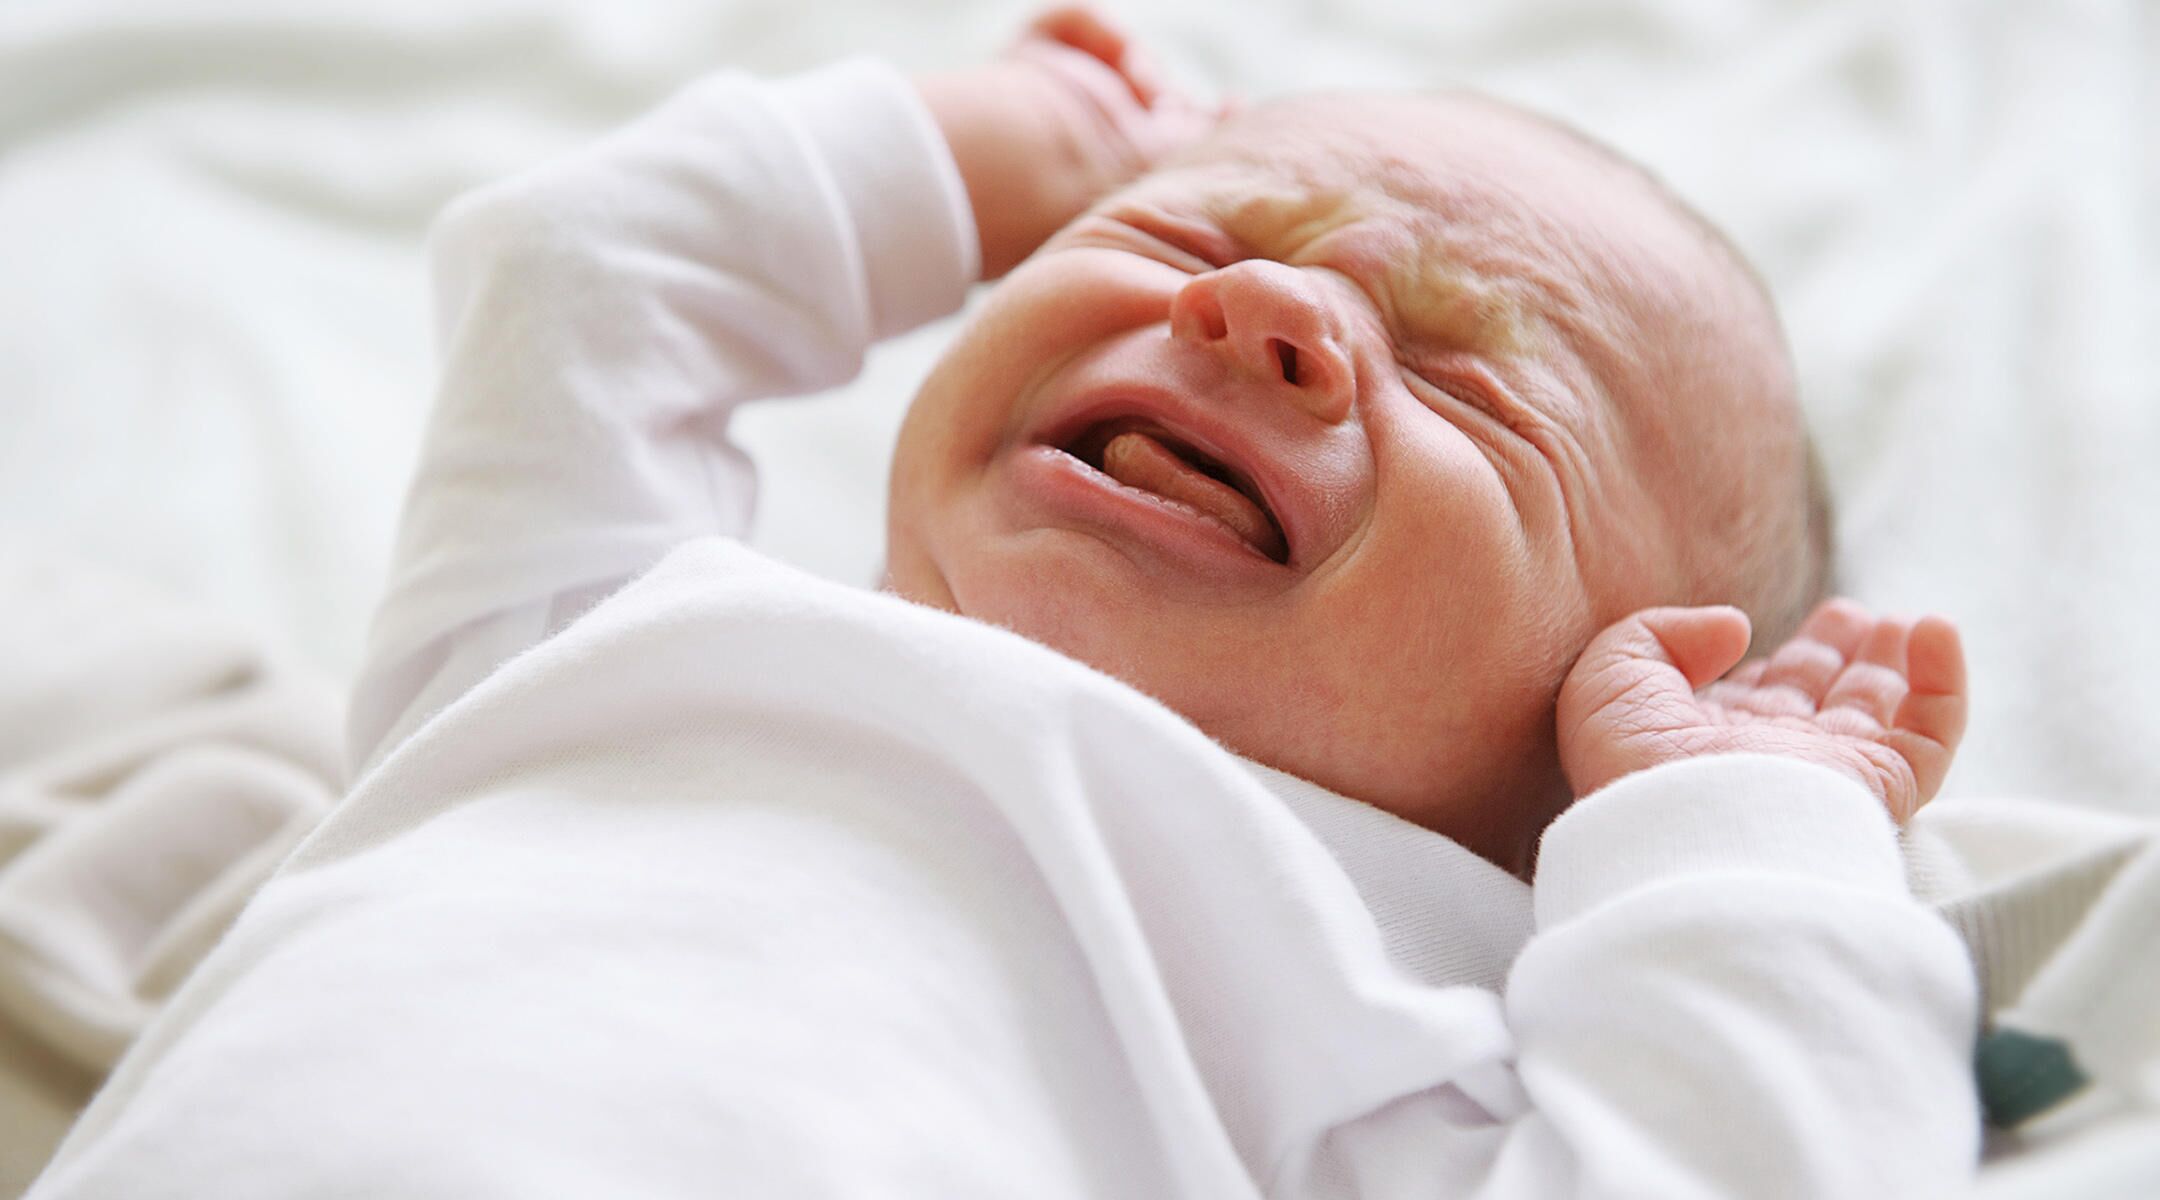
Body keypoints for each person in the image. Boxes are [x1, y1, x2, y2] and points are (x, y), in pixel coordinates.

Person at [30, 9, 1980, 1197]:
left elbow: (1752, 1152)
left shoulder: (1409, 1026)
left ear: (1579, 766)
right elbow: (582, 273)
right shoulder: (595, 652)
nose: (1266, 309)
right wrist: (997, 149)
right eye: (1188, 235)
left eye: (1475, 383)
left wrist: (1731, 833)